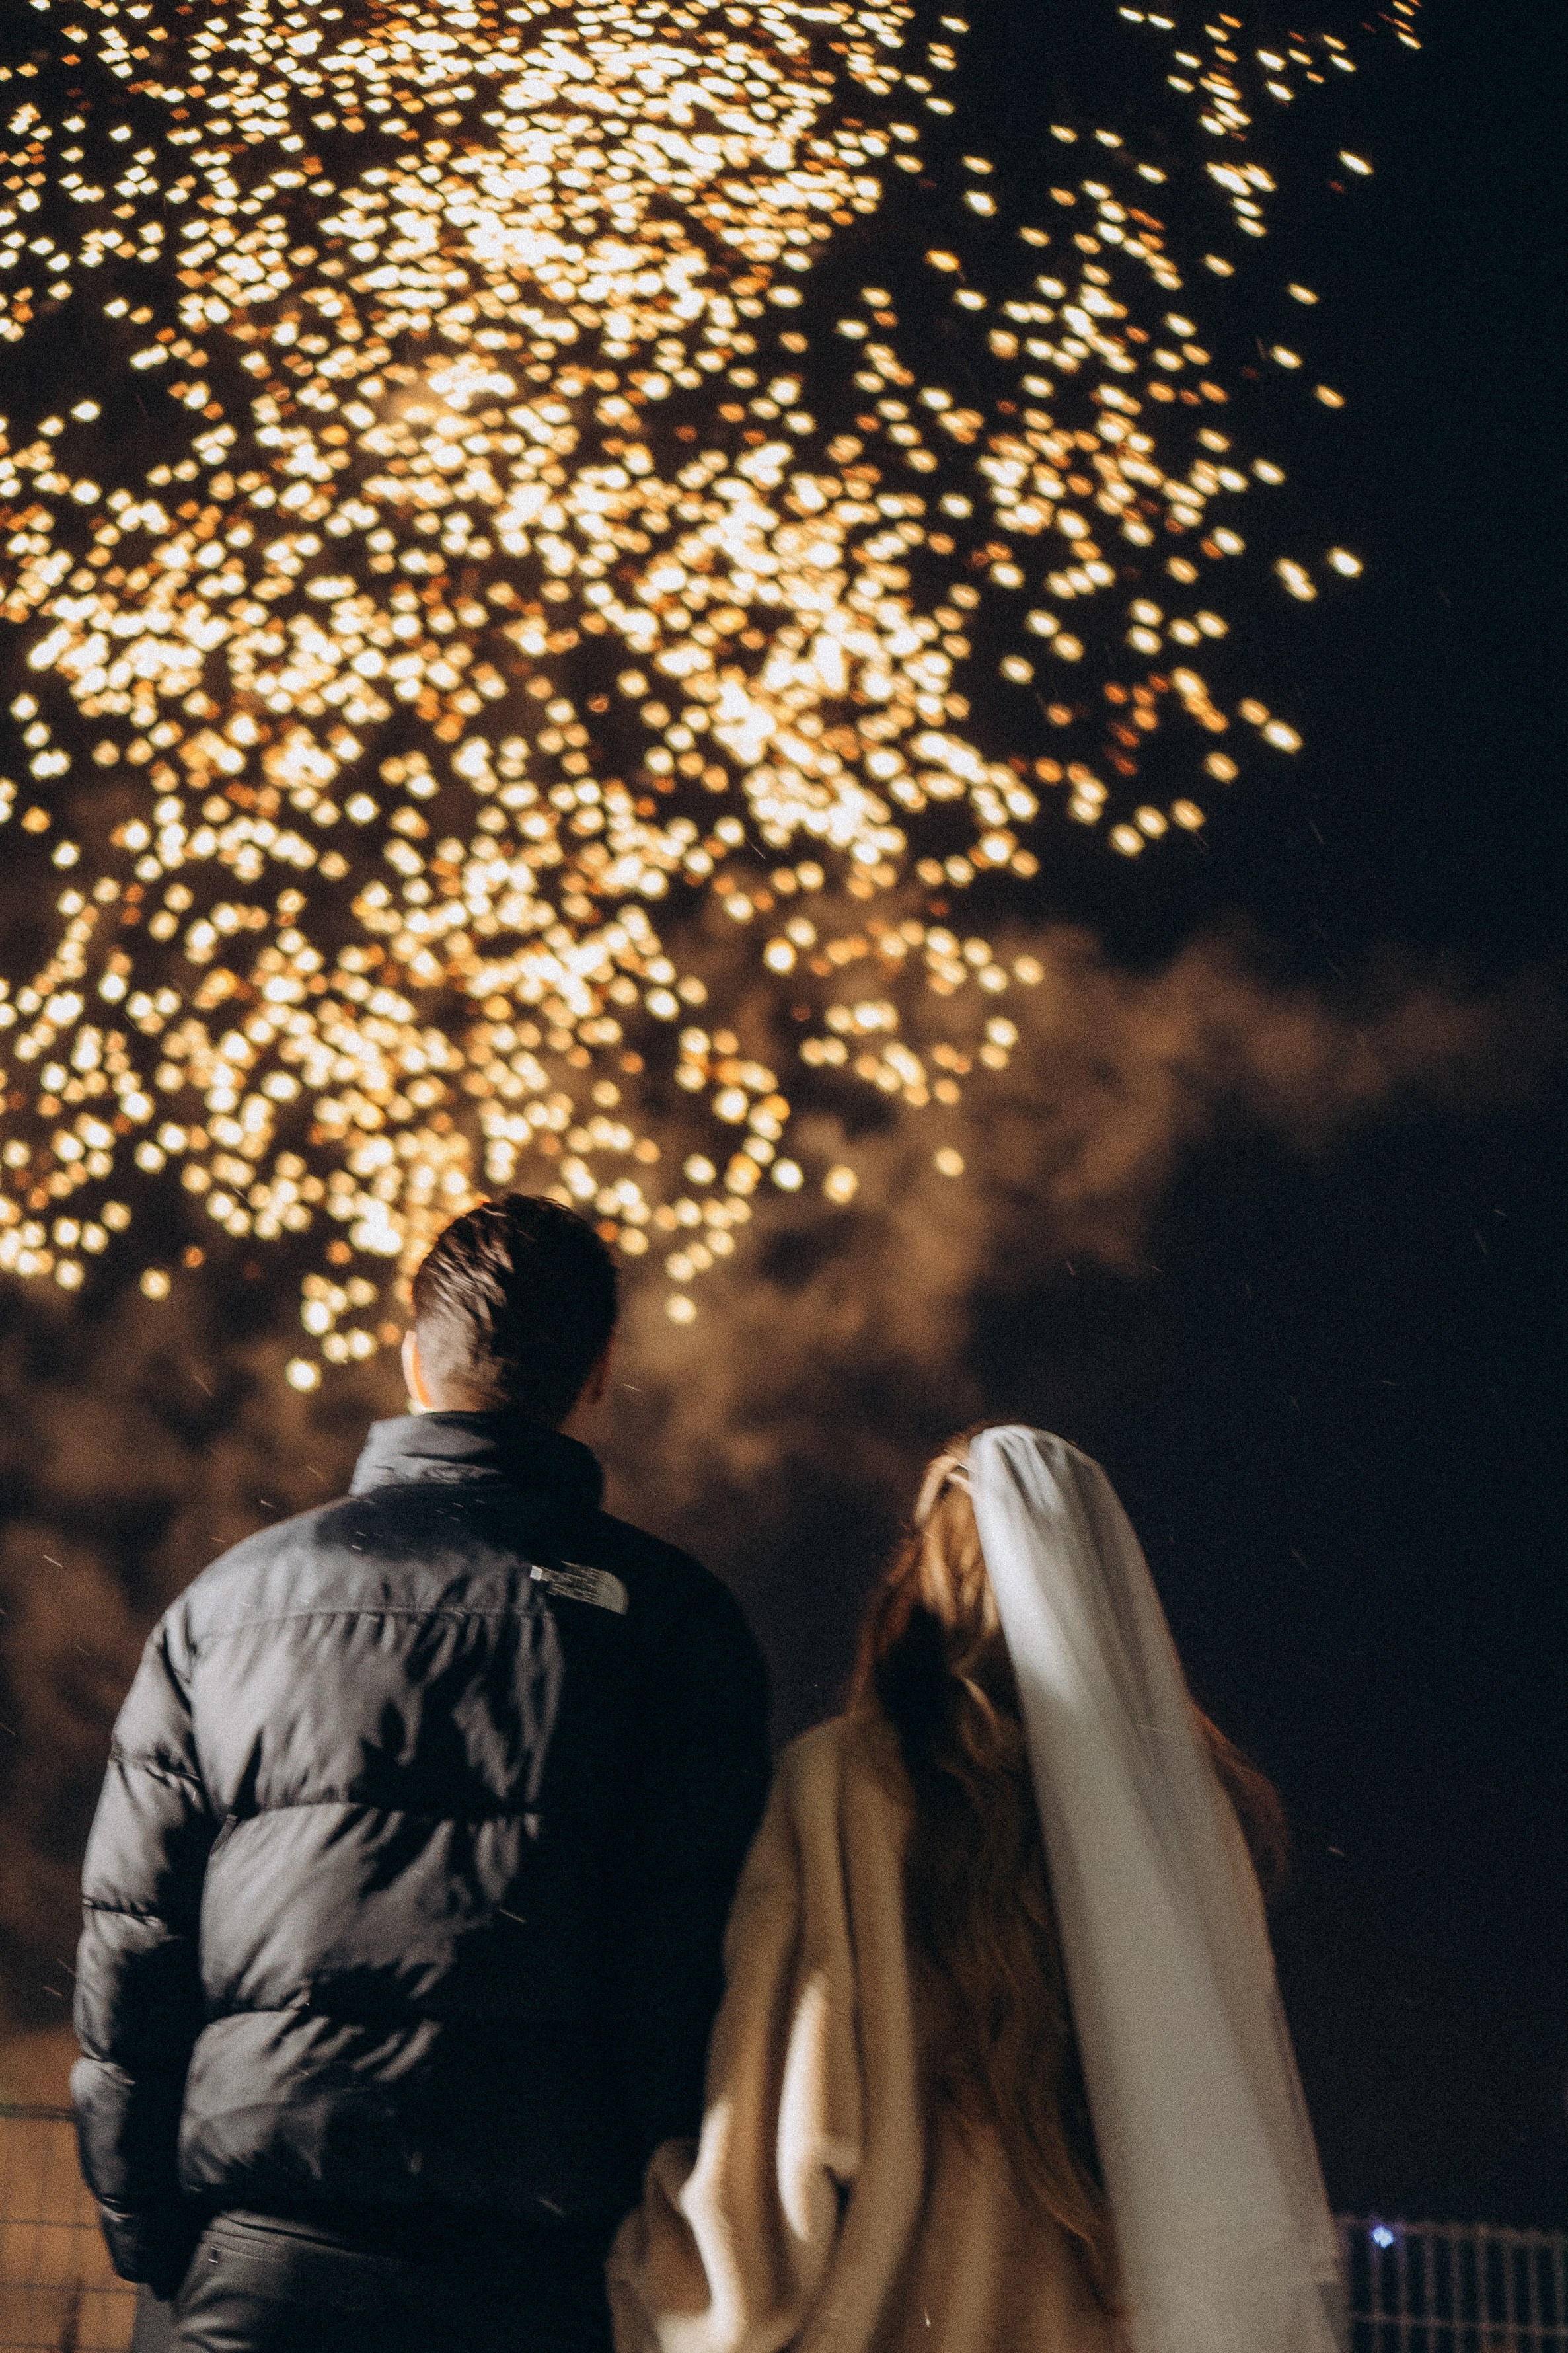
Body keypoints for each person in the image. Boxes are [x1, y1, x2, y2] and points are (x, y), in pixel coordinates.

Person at [72, 1194, 771, 2353]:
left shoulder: (223, 1610)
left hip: (261, 2264)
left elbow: (132, 1945)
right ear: (597, 1374)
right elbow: (692, 1973)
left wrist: (162, 2246)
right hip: (544, 2277)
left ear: (409, 1360)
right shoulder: (674, 1623)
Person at [610, 1425, 1347, 2353]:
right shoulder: (1187, 1827)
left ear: (924, 1572)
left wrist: (650, 2277)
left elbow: (789, 2148)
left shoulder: (847, 1786)